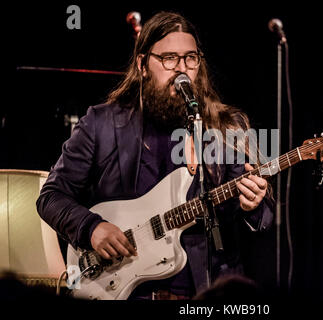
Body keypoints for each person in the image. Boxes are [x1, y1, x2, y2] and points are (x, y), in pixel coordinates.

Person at [36, 11, 274, 300]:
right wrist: (92, 228)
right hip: (123, 290)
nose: (181, 69)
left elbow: (261, 217)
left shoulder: (225, 127)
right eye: (169, 58)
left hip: (203, 294)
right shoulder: (101, 124)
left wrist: (254, 203)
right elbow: (50, 196)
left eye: (190, 58)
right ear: (143, 64)